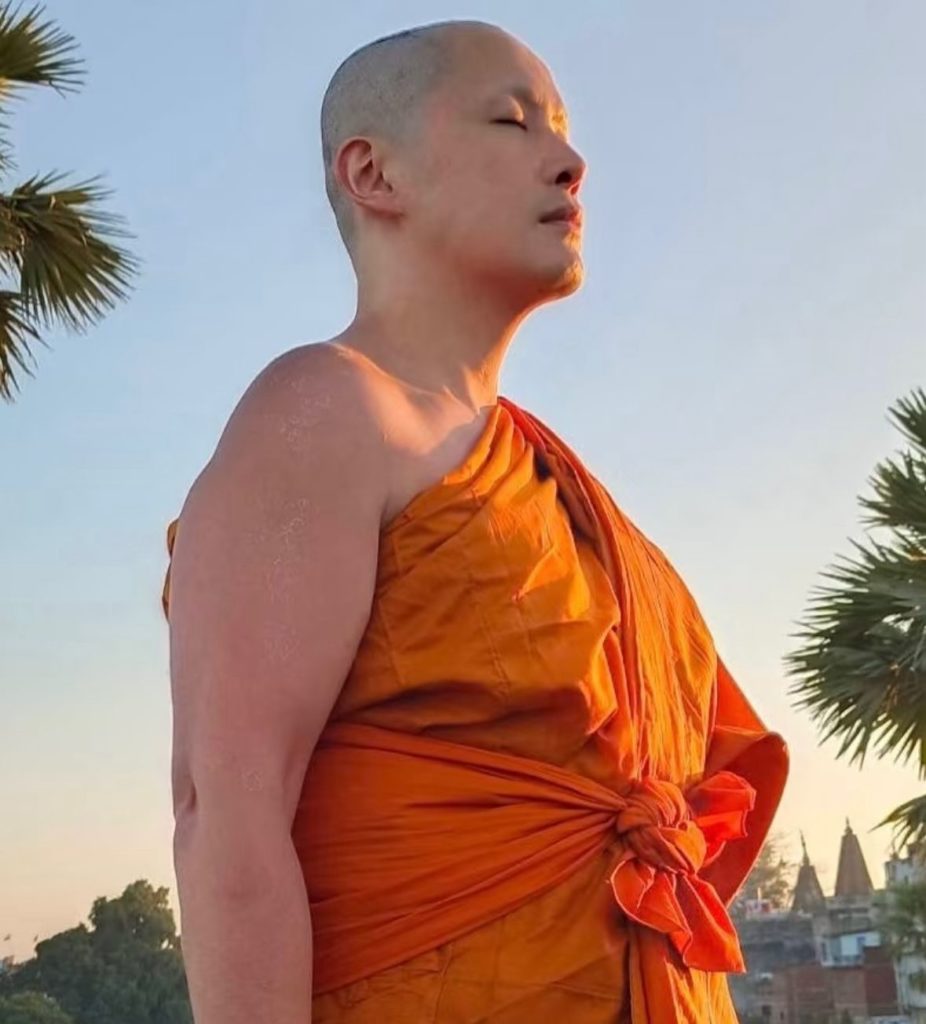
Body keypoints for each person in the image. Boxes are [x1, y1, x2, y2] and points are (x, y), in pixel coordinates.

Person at [162, 19, 788, 1024]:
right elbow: (226, 808)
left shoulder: (565, 492)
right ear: (373, 173)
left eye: (564, 128)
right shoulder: (327, 410)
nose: (570, 161)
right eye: (511, 121)